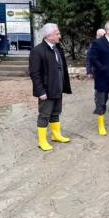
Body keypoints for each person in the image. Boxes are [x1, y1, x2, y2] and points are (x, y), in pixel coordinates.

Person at [29, 23, 72, 151]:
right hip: (46, 91)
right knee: (44, 115)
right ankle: (42, 141)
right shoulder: (37, 51)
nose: (60, 35)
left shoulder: (57, 48)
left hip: (57, 88)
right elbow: (34, 74)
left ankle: (56, 135)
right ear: (49, 35)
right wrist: (40, 91)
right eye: (57, 33)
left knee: (56, 113)